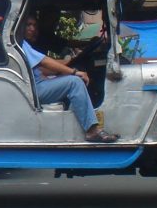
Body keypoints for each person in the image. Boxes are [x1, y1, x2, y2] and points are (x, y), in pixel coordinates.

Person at [21, 15, 118, 143]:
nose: (32, 29)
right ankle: (91, 131)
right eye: (28, 25)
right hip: (34, 89)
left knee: (69, 78)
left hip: (37, 84)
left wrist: (65, 70)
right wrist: (74, 71)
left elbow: (43, 67)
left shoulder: (24, 44)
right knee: (74, 82)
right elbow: (44, 62)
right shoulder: (21, 43)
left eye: (35, 26)